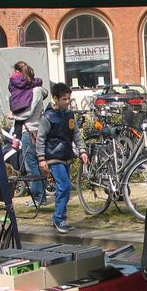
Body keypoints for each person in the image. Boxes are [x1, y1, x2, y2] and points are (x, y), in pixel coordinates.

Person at [36, 82, 88, 234]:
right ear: (56, 99)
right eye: (64, 99)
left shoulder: (70, 115)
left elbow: (76, 134)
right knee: (65, 186)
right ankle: (59, 218)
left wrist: (82, 149)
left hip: (66, 156)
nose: (67, 102)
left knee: (62, 188)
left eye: (69, 99)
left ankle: (59, 218)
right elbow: (41, 138)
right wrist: (41, 159)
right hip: (53, 157)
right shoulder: (48, 117)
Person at [7, 62, 47, 208]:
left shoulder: (35, 91)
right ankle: (40, 196)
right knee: (34, 164)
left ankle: (38, 198)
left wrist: (14, 116)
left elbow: (29, 112)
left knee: (32, 165)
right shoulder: (31, 89)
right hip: (30, 130)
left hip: (31, 131)